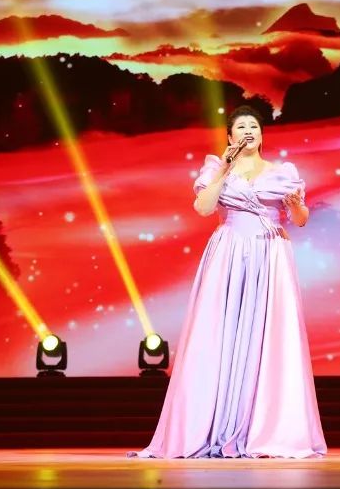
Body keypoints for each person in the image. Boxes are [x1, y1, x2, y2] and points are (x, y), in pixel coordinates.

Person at [127, 105, 327, 459]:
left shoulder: (282, 173)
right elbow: (204, 208)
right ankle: (207, 426)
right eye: (241, 127)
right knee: (219, 332)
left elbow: (300, 219)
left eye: (254, 126)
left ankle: (267, 429)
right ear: (230, 136)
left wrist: (296, 205)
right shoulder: (215, 168)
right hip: (229, 252)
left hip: (270, 253)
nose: (249, 131)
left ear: (262, 134)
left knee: (269, 336)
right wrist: (224, 166)